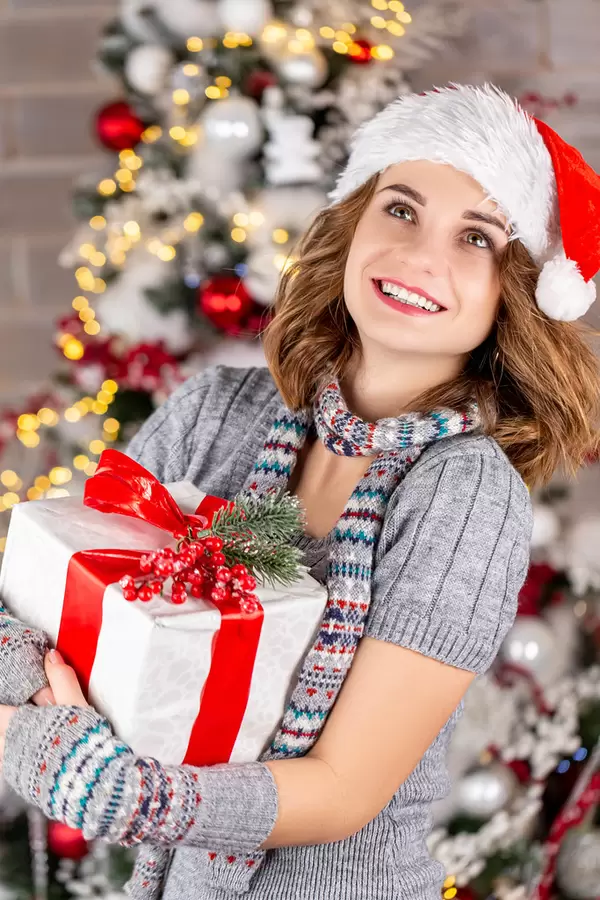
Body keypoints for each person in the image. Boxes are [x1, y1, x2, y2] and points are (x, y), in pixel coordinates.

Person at [1, 83, 600, 900]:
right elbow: (53, 603)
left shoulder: (465, 496)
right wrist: (18, 685)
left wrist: (123, 790)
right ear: (352, 225)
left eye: (477, 238)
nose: (422, 255)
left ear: (516, 291)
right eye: (400, 209)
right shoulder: (214, 415)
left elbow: (344, 790)